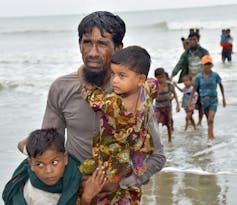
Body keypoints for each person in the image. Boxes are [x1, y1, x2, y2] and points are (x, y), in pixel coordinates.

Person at [17, 11, 166, 202]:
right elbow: (48, 150)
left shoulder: (135, 96)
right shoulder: (62, 88)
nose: (93, 52)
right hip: (76, 195)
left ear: (119, 48)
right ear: (79, 45)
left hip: (122, 196)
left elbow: (158, 157)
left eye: (102, 43)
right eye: (87, 42)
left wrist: (120, 182)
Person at [79, 45, 163, 204]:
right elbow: (155, 83)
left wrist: (82, 76)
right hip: (134, 165)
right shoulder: (146, 91)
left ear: (140, 79)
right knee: (129, 197)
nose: (115, 80)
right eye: (113, 74)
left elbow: (91, 96)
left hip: (111, 165)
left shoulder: (112, 103)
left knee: (94, 190)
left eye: (122, 75)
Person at [2, 128, 106, 205]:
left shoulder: (70, 168)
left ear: (65, 158)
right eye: (40, 164)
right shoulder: (41, 199)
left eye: (54, 162)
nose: (48, 171)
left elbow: (22, 145)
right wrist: (86, 198)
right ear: (31, 164)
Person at [171, 31, 209, 126]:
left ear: (198, 40)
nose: (192, 41)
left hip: (201, 80)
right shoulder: (186, 53)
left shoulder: (203, 52)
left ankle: (200, 121)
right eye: (190, 40)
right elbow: (180, 63)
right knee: (187, 100)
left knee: (200, 102)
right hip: (190, 80)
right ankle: (191, 120)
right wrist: (173, 74)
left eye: (194, 39)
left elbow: (207, 65)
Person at [188, 55, 226, 146]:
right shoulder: (199, 77)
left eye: (209, 64)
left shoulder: (215, 75)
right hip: (204, 101)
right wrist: (190, 101)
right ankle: (211, 135)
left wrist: (224, 98)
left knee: (210, 119)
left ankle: (209, 139)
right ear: (202, 65)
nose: (207, 66)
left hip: (213, 100)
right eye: (206, 64)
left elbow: (221, 85)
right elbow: (194, 89)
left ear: (211, 65)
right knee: (208, 120)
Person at [154, 67, 180, 142]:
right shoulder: (155, 86)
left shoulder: (169, 85)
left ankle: (169, 139)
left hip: (167, 107)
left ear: (165, 76)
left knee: (168, 123)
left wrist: (178, 105)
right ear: (156, 78)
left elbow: (174, 94)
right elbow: (151, 96)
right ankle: (157, 140)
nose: (161, 79)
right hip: (158, 107)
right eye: (158, 77)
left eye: (162, 77)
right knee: (156, 123)